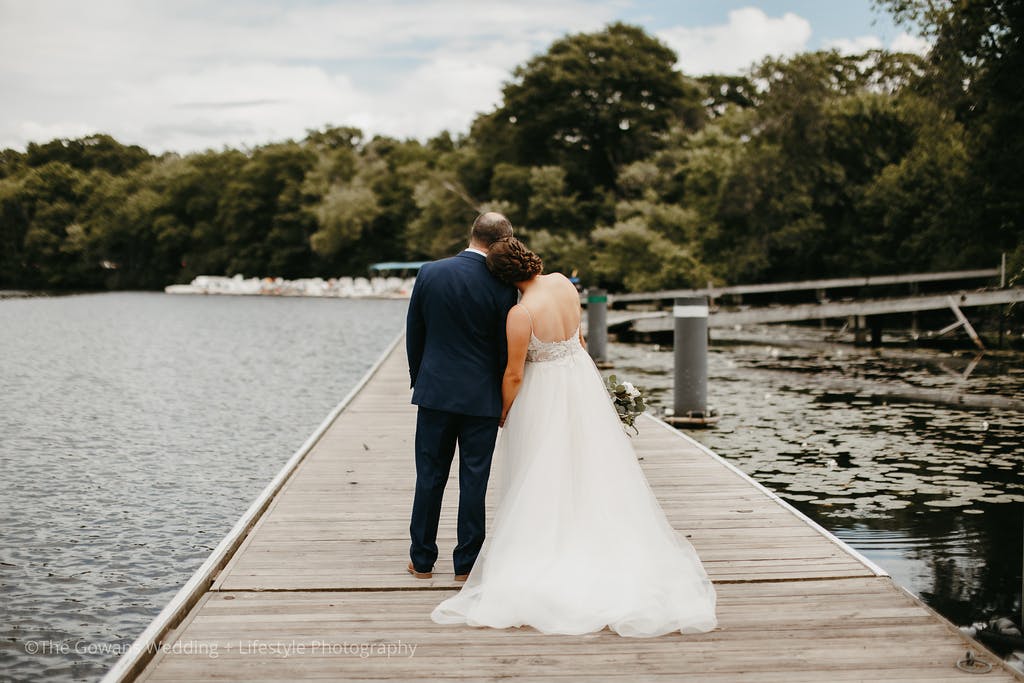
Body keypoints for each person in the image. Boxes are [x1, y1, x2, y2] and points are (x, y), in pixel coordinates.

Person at [431, 237, 718, 637]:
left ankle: (548, 551)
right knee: (588, 465)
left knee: (542, 470)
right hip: (579, 382)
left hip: (543, 394)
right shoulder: (565, 283)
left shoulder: (520, 314)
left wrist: (501, 412)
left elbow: (514, 374)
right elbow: (580, 342)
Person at [405, 212, 519, 581]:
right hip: (482, 398)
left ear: (472, 233)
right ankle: (465, 566)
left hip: (435, 392)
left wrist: (419, 379)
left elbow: (415, 333)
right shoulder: (504, 284)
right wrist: (504, 397)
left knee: (429, 477)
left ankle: (421, 560)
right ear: (502, 241)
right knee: (474, 481)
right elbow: (506, 349)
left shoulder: (430, 272)